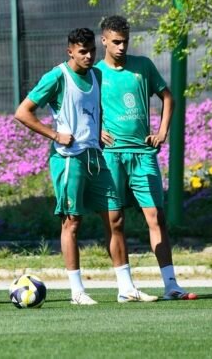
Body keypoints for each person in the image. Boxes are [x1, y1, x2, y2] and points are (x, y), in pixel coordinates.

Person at [14, 27, 158, 305]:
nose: (89, 56)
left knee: (115, 218)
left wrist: (100, 131)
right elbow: (22, 112)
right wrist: (55, 135)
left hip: (96, 157)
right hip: (69, 158)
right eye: (83, 52)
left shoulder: (97, 75)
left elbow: (96, 110)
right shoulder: (57, 76)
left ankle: (126, 288)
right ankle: (77, 292)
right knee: (72, 222)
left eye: (92, 50)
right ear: (70, 51)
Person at [96, 15, 197, 300]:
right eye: (116, 42)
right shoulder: (95, 73)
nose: (121, 47)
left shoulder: (143, 66)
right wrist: (96, 130)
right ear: (104, 40)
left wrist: (162, 131)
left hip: (143, 154)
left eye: (125, 41)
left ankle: (171, 285)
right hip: (111, 156)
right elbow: (82, 108)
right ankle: (125, 288)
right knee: (115, 220)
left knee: (156, 217)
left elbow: (168, 98)